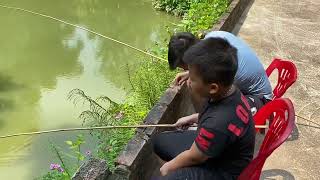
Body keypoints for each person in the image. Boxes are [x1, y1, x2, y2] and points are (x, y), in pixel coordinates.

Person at [152, 38, 255, 180]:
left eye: (192, 79)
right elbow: (212, 117)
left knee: (164, 174)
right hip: (219, 148)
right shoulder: (229, 90)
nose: (188, 81)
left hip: (223, 170)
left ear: (213, 88)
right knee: (159, 142)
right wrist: (194, 117)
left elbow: (195, 157)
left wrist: (169, 167)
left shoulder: (218, 122)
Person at [168, 31, 272, 114]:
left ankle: (203, 122)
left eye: (186, 67)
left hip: (259, 99)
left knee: (217, 113)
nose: (186, 70)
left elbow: (218, 96)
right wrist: (190, 73)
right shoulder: (213, 38)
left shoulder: (221, 67)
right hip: (251, 86)